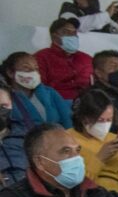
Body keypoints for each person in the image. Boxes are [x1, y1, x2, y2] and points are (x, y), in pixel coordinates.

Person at [2, 52, 72, 182]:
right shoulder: (5, 97)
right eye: (26, 68)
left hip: (55, 146)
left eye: (35, 69)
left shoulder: (49, 93)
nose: (33, 73)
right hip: (20, 150)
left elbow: (68, 122)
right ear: (10, 73)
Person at [68, 89, 118, 193]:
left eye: (109, 120)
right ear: (83, 118)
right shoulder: (67, 140)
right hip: (94, 196)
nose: (105, 125)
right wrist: (100, 158)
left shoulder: (114, 139)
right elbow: (75, 187)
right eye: (100, 120)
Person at [34, 18, 92, 101]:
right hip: (56, 103)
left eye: (74, 33)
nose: (72, 36)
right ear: (54, 36)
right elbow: (40, 90)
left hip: (87, 103)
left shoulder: (86, 59)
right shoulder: (41, 58)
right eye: (67, 32)